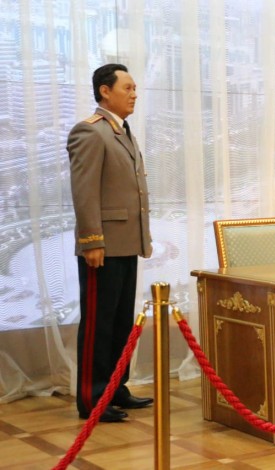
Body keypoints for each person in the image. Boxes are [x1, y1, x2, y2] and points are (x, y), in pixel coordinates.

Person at [68, 63, 153, 423]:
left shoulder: (122, 131)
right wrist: (91, 241)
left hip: (126, 243)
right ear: (105, 91)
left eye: (134, 88)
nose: (134, 94)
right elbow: (84, 191)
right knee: (98, 325)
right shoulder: (90, 132)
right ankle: (93, 399)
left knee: (119, 323)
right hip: (101, 246)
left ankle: (116, 389)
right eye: (127, 88)